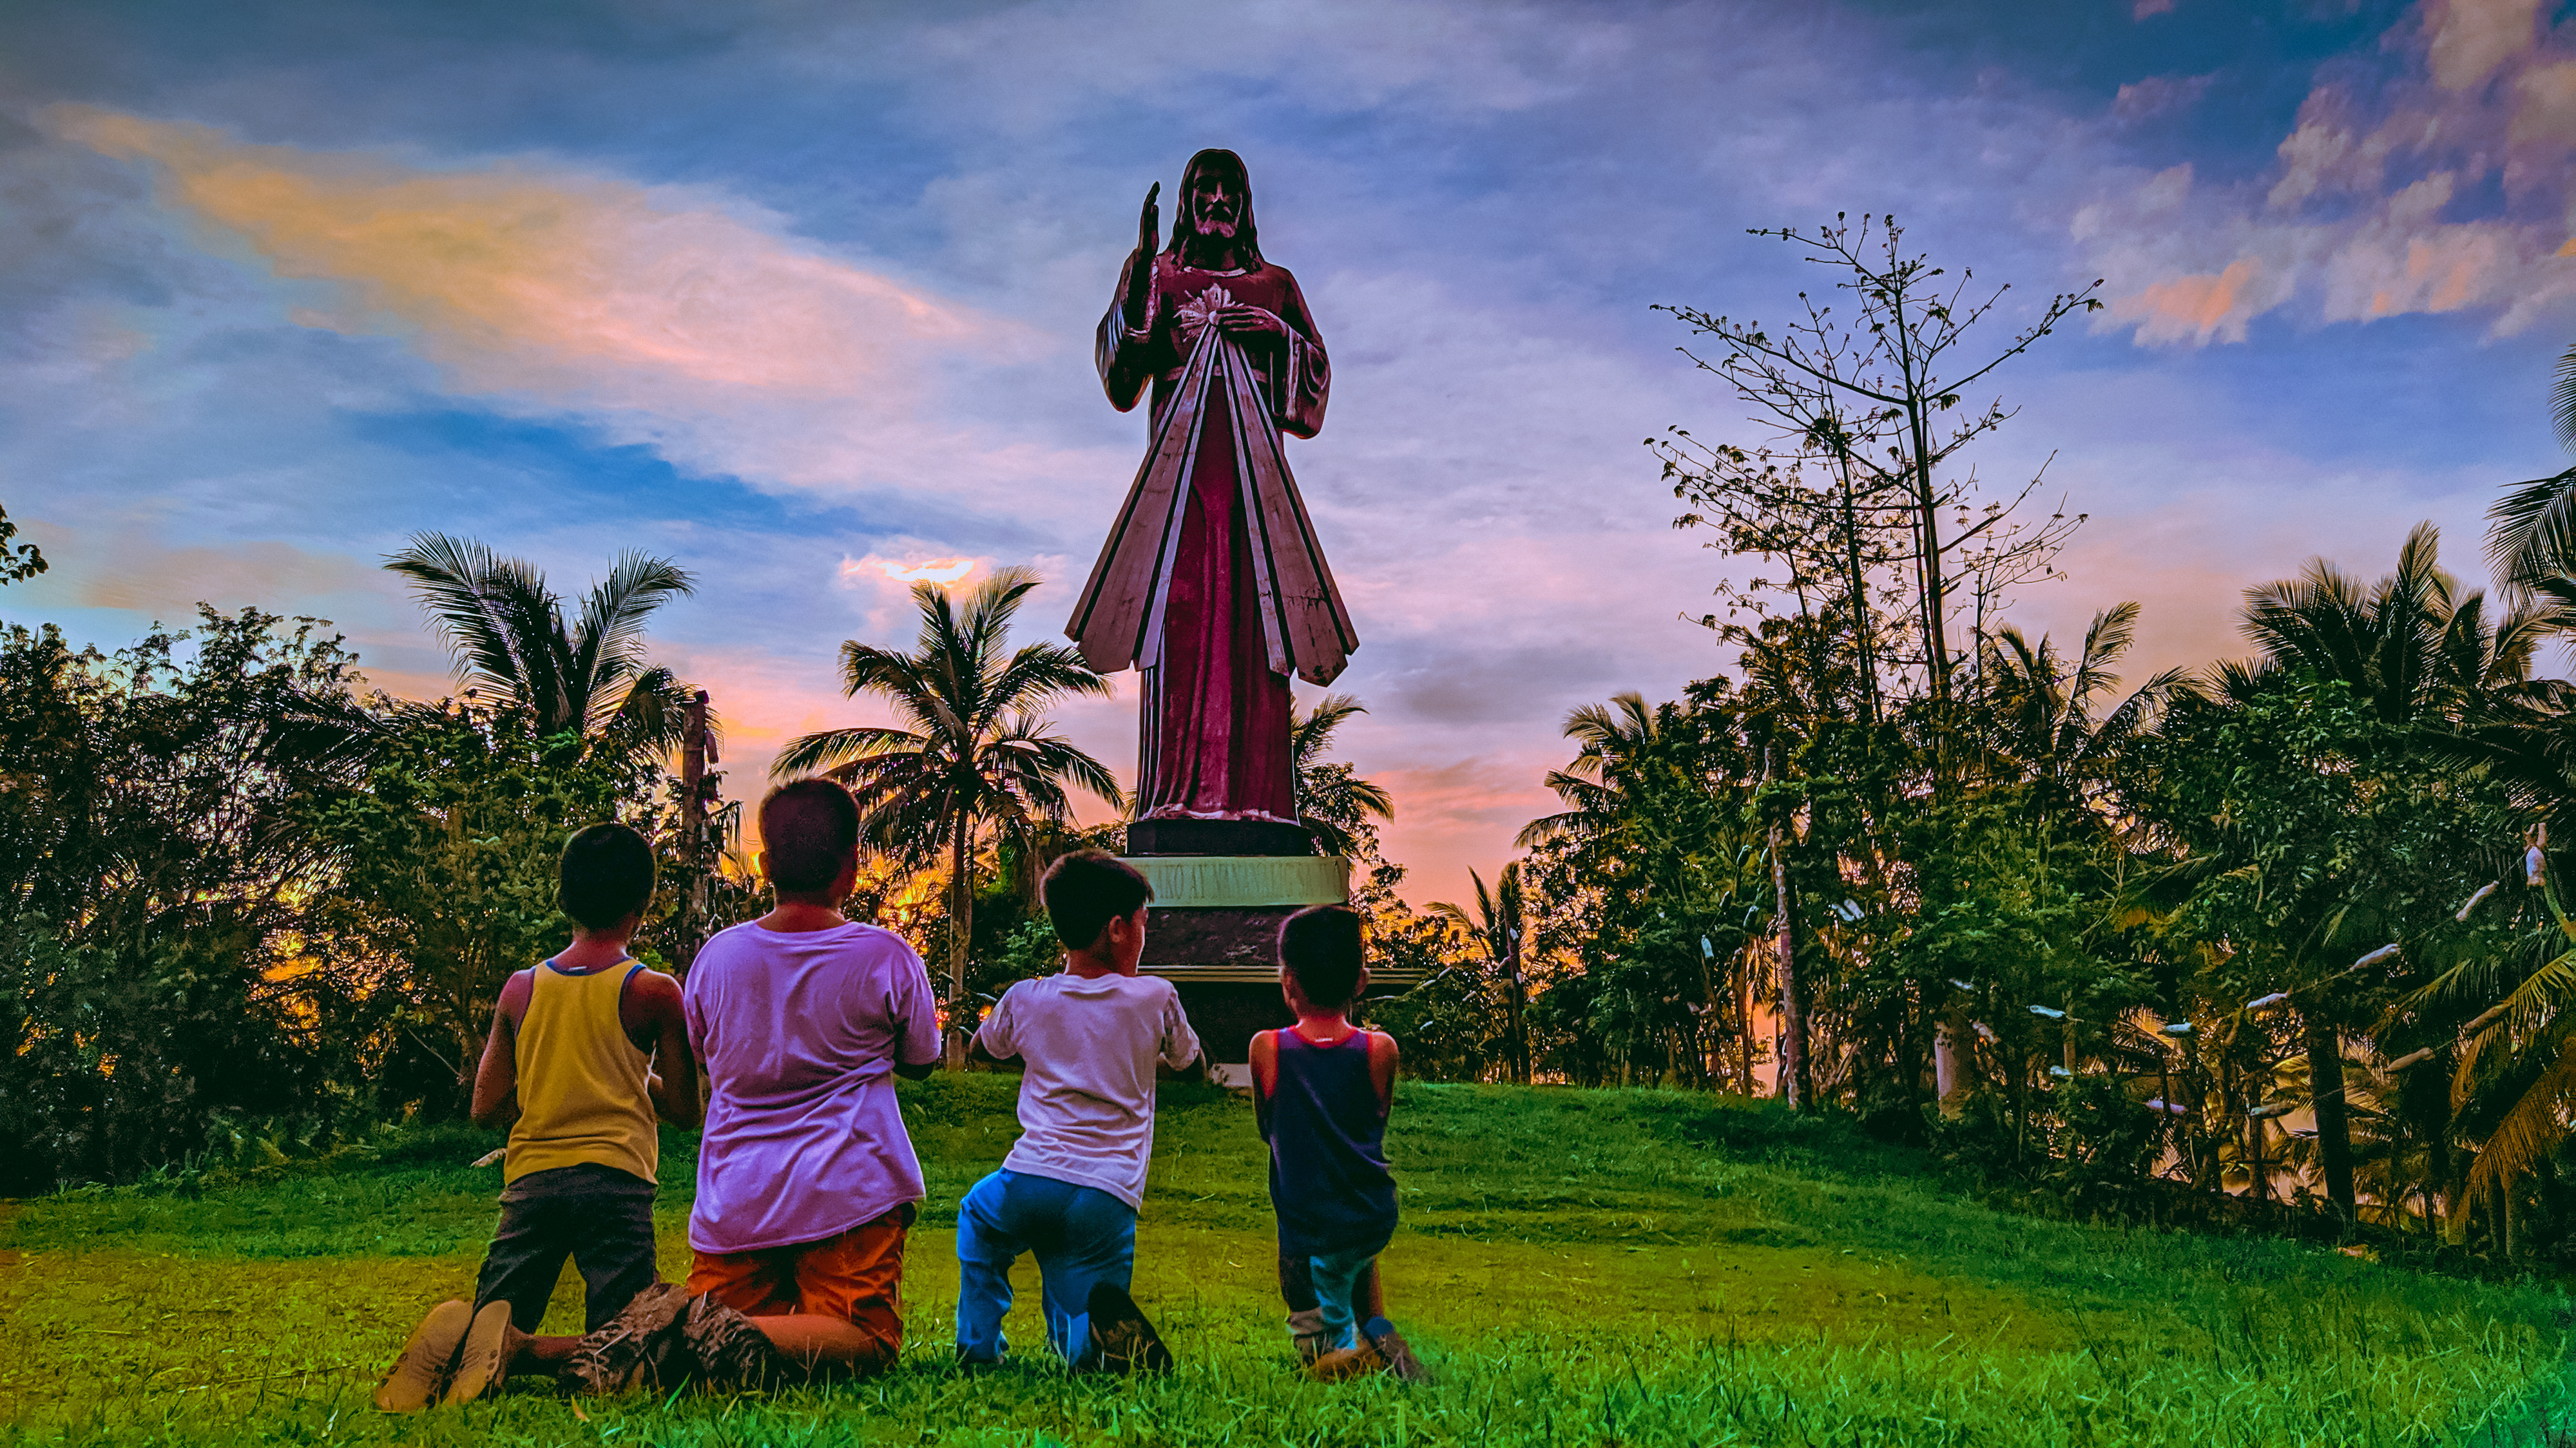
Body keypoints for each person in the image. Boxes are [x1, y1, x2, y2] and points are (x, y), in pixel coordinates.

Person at [565, 778, 945, 1393]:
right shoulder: (885, 955)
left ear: (765, 865)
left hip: (738, 1200)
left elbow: (702, 1058)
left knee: (698, 1335)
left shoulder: (719, 957)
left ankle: (527, 1348)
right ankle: (725, 1333)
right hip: (853, 1194)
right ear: (852, 866)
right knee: (864, 1339)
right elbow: (921, 1060)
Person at [372, 821, 700, 1412]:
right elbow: (684, 1110)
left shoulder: (522, 989)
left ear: (563, 898)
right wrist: (633, 1078)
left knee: (494, 1318)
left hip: (531, 1183)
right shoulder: (654, 991)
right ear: (643, 905)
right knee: (626, 1342)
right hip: (615, 1182)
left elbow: (485, 1108)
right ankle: (536, 1354)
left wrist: (555, 1085)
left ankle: (469, 1352)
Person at [956, 850, 1202, 1372]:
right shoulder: (1154, 997)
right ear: (1117, 929)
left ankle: (978, 1348)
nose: (1143, 937)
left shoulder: (1028, 998)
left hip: (1029, 1178)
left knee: (978, 1221)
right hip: (1107, 1194)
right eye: (1142, 925)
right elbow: (1191, 1064)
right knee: (1086, 1288)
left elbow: (982, 1049)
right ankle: (1086, 1347)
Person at [1250, 904, 1428, 1382]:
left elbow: (1267, 1126)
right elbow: (1375, 1122)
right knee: (1354, 1257)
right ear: (1361, 981)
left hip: (1309, 1231)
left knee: (1318, 1362)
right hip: (1371, 1213)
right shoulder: (1381, 1050)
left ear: (1288, 981)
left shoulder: (1267, 1048)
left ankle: (1368, 1355)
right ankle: (1378, 1327)